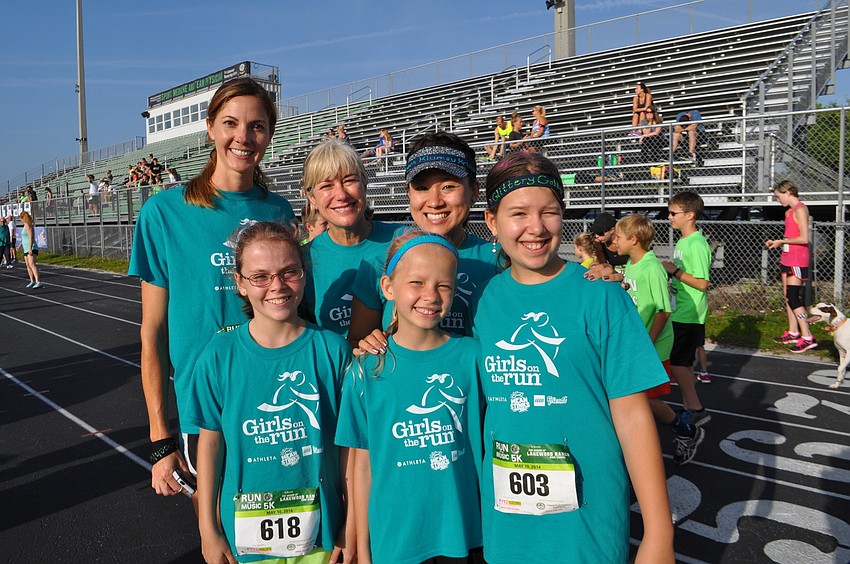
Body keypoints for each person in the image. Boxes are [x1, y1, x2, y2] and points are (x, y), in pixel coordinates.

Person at [473, 152, 673, 563]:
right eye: (518, 214)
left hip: (587, 521)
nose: (535, 227)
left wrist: (658, 532)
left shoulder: (602, 295)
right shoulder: (482, 299)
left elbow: (634, 415)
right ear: (492, 222)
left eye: (549, 212)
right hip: (506, 522)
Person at [128, 77, 296, 503]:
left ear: (270, 134)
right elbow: (152, 335)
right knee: (222, 532)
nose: (243, 136)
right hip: (205, 412)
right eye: (231, 123)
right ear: (210, 128)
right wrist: (160, 438)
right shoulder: (164, 212)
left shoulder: (279, 210)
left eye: (257, 126)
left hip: (275, 405)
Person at [186, 222, 353, 564]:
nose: (276, 286)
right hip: (246, 539)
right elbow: (211, 443)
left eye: (288, 272)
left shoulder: (332, 350)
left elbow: (349, 447)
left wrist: (350, 522)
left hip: (321, 537)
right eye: (260, 276)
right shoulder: (219, 355)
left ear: (304, 274)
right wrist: (208, 528)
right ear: (240, 284)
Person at [336, 231, 483, 564]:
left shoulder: (472, 357)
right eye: (416, 282)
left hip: (462, 535)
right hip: (394, 539)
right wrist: (362, 547)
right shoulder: (366, 370)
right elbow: (361, 468)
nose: (430, 296)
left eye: (443, 285)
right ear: (388, 287)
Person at [348, 132, 499, 346]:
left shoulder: (499, 261)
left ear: (473, 191)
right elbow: (356, 343)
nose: (435, 201)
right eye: (421, 187)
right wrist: (368, 344)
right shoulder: (379, 265)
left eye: (448, 186)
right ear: (408, 194)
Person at [615, 214, 704, 465]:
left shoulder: (651, 268)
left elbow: (663, 311)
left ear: (633, 239)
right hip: (636, 344)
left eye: (619, 237)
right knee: (631, 396)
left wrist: (647, 342)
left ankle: (683, 429)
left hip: (653, 346)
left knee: (645, 398)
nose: (615, 241)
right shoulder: (632, 264)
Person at [301, 139, 401, 338]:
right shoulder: (304, 260)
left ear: (365, 183)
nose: (341, 195)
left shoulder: (403, 241)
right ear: (312, 197)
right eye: (327, 186)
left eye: (349, 180)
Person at [661, 191, 711, 427]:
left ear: (690, 215)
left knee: (679, 362)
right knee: (683, 362)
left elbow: (702, 283)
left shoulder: (697, 244)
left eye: (673, 213)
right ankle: (688, 407)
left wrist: (674, 271)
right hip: (680, 308)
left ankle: (697, 408)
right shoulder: (682, 241)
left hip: (689, 313)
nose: (669, 217)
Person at [766, 180, 817, 353]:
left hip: (797, 259)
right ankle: (794, 331)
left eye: (778, 197)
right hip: (787, 257)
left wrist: (782, 241)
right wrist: (778, 243)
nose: (778, 200)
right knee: (788, 296)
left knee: (794, 298)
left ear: (788, 192)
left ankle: (807, 336)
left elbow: (803, 238)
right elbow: (791, 235)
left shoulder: (801, 209)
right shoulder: (789, 212)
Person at [19, 211, 43, 289]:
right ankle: (32, 280)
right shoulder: (24, 226)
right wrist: (20, 245)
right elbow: (24, 238)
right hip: (26, 248)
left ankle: (38, 281)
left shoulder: (28, 225)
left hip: (31, 248)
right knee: (28, 265)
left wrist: (30, 248)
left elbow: (31, 237)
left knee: (32, 264)